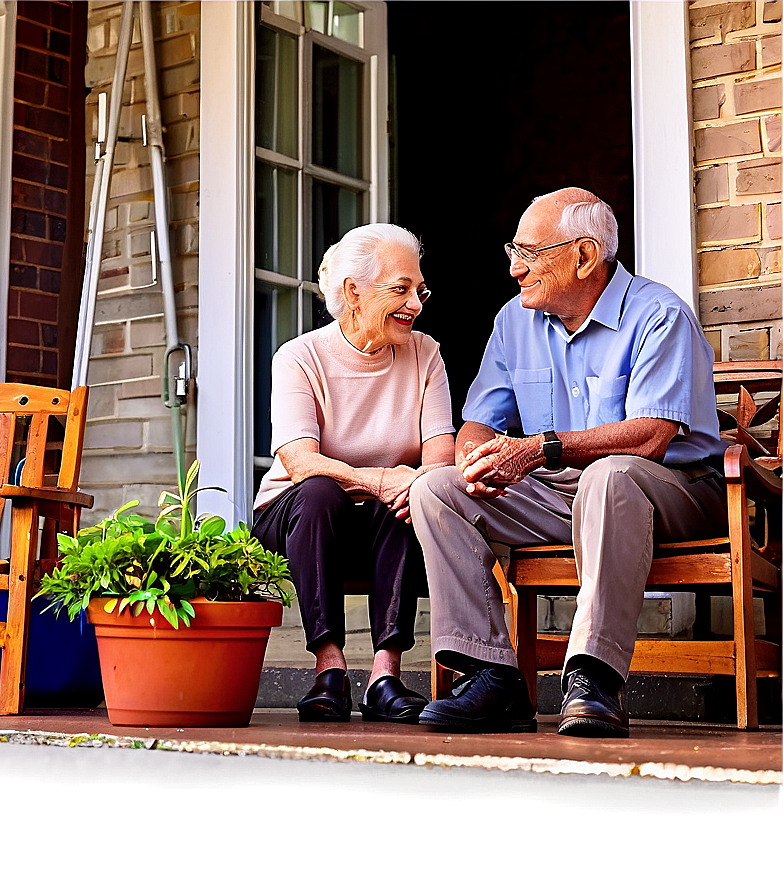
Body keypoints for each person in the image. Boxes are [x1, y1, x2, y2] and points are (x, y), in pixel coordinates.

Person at [409, 187, 726, 738]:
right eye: (514, 251)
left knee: (611, 473)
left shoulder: (659, 314)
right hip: (562, 491)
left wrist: (535, 448)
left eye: (528, 253)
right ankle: (491, 676)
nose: (513, 268)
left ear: (583, 256)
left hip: (675, 490)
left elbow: (650, 438)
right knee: (437, 488)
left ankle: (592, 678)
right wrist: (474, 458)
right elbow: (483, 420)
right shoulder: (514, 322)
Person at [253, 223, 455, 723]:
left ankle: (385, 677)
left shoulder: (425, 353)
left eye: (419, 289)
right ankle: (330, 670)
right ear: (354, 292)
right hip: (301, 516)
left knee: (414, 498)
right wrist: (385, 479)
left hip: (384, 519)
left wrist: (406, 484)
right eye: (401, 289)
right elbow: (299, 460)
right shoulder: (301, 357)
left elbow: (440, 456)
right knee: (323, 490)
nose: (416, 303)